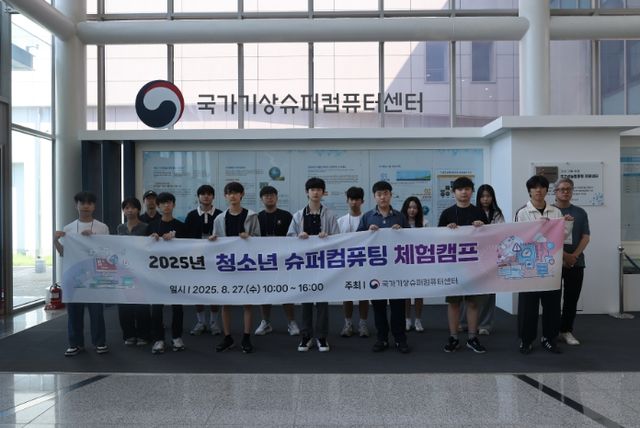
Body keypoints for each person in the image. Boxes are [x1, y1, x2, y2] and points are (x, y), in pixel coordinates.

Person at [515, 175, 573, 355]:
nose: (538, 190)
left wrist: (568, 223)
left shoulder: (555, 212)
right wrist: (539, 228)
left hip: (550, 265)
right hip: (530, 266)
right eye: (534, 187)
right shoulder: (522, 212)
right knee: (528, 306)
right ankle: (526, 340)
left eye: (542, 187)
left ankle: (549, 338)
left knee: (552, 305)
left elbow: (562, 237)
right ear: (529, 191)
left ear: (547, 190)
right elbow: (520, 238)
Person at [53, 191, 109, 357]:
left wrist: (93, 240)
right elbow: (63, 253)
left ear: (94, 206)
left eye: (89, 203)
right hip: (74, 276)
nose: (85, 206)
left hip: (95, 276)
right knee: (74, 313)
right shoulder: (68, 228)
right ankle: (75, 344)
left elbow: (106, 252)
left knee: (97, 312)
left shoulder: (102, 227)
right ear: (76, 205)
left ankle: (100, 342)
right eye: (82, 203)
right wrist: (55, 241)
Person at [357, 181, 411, 354]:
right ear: (374, 197)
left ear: (391, 195)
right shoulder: (367, 217)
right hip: (376, 271)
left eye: (386, 193)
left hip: (396, 270)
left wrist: (401, 231)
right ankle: (382, 338)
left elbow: (411, 240)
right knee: (379, 307)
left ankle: (400, 339)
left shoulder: (400, 216)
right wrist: (367, 232)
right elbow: (356, 241)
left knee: (398, 307)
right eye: (379, 194)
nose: (383, 197)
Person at [288, 177, 339, 352]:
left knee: (322, 302)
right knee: (306, 300)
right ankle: (306, 336)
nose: (315, 192)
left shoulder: (330, 215)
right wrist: (298, 237)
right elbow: (289, 238)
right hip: (304, 264)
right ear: (307, 192)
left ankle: (322, 337)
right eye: (312, 189)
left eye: (319, 189)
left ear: (323, 193)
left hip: (323, 264)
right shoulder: (298, 215)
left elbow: (338, 238)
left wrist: (328, 237)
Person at [438, 177, 489, 354]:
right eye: (460, 189)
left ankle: (472, 338)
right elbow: (437, 239)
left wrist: (482, 227)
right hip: (453, 265)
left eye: (467, 189)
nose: (464, 192)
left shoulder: (479, 212)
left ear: (472, 191)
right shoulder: (447, 213)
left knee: (473, 303)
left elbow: (488, 239)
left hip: (474, 265)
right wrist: (447, 230)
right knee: (454, 303)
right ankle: (453, 337)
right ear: (454, 192)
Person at [210, 181, 261, 353]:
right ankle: (228, 337)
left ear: (242, 195)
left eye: (236, 192)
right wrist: (212, 240)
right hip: (227, 265)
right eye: (229, 193)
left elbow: (260, 240)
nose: (232, 196)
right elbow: (216, 241)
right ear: (225, 196)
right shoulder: (219, 218)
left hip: (246, 264)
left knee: (247, 303)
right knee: (226, 303)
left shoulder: (251, 216)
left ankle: (246, 337)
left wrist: (250, 237)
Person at [254, 185, 300, 337]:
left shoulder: (286, 216)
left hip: (283, 261)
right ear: (261, 199)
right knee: (264, 292)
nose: (269, 198)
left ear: (277, 197)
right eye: (266, 195)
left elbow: (293, 237)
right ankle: (265, 322)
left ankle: (291, 322)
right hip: (264, 262)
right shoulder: (257, 217)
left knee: (286, 291)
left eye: (272, 195)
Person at [459, 184, 505, 336]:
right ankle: (464, 323)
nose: (485, 199)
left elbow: (501, 232)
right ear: (478, 198)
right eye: (482, 196)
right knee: (469, 291)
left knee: (489, 292)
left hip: (491, 256)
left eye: (488, 196)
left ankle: (485, 324)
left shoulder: (497, 214)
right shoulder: (472, 211)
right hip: (472, 256)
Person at [148, 192, 188, 354]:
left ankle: (177, 337)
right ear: (158, 206)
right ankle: (159, 339)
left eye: (169, 202)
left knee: (177, 307)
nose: (166, 205)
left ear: (174, 205)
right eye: (163, 203)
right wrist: (151, 239)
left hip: (176, 273)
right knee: (157, 307)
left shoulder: (181, 226)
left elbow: (189, 248)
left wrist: (175, 239)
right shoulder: (152, 226)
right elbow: (144, 250)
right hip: (157, 274)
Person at [554, 177, 590, 346]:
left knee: (571, 298)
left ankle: (566, 331)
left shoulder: (580, 212)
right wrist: (564, 256)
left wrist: (573, 256)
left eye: (568, 189)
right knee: (552, 299)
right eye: (562, 189)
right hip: (553, 262)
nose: (565, 192)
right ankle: (552, 331)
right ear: (555, 192)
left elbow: (586, 237)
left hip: (576, 262)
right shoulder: (549, 212)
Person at [184, 184, 222, 337]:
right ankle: (200, 322)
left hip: (215, 259)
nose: (206, 196)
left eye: (209, 194)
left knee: (215, 291)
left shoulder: (220, 215)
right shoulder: (192, 215)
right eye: (203, 194)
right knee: (197, 290)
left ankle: (214, 322)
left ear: (213, 197)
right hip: (196, 259)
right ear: (198, 197)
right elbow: (185, 237)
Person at [116, 197, 152, 347]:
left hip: (141, 271)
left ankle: (143, 335)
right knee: (124, 304)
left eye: (133, 207)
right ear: (123, 211)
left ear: (138, 209)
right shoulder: (120, 228)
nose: (129, 210)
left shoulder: (146, 227)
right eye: (126, 208)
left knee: (141, 304)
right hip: (124, 270)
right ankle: (129, 334)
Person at [337, 186, 370, 338]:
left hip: (364, 263)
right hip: (346, 263)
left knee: (364, 294)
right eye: (351, 199)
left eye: (357, 199)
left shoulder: (368, 219)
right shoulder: (340, 221)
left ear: (362, 201)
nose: (354, 202)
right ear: (347, 201)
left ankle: (363, 323)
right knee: (347, 293)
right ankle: (348, 323)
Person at [401, 196, 428, 333]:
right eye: (409, 207)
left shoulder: (424, 223)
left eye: (415, 207)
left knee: (419, 292)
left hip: (419, 262)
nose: (412, 210)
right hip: (404, 262)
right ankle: (407, 320)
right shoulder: (399, 222)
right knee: (406, 293)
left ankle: (418, 320)